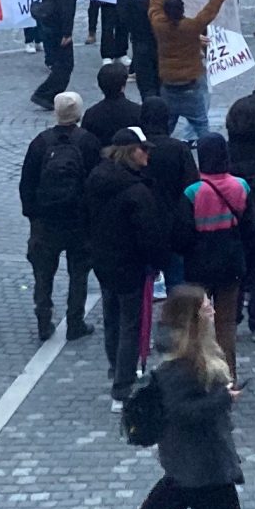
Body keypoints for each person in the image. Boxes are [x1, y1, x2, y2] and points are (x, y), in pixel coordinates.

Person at [97, 286, 255, 509]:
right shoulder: (181, 364)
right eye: (207, 307)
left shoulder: (190, 352)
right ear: (193, 317)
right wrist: (224, 399)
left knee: (167, 504)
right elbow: (182, 411)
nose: (213, 311)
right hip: (199, 456)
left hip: (192, 457)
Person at [87, 127, 168, 407]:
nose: (147, 154)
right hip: (130, 264)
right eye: (143, 149)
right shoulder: (137, 191)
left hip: (103, 261)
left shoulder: (96, 179)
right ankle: (122, 386)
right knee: (130, 324)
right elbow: (149, 234)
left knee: (112, 317)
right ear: (129, 151)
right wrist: (157, 263)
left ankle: (116, 369)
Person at [20, 95, 98, 344]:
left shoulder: (40, 143)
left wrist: (33, 215)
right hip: (78, 220)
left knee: (43, 274)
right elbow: (95, 184)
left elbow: (27, 184)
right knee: (78, 274)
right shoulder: (88, 142)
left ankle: (43, 320)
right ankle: (75, 322)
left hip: (45, 221)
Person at [181, 135, 255, 376]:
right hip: (231, 262)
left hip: (199, 265)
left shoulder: (193, 192)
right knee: (226, 324)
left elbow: (181, 234)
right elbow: (250, 228)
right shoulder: (241, 186)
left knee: (198, 323)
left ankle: (199, 374)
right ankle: (229, 376)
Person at [148, 0, 227, 139]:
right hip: (190, 85)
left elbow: (153, 8)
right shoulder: (192, 27)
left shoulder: (159, 25)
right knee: (202, 125)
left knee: (165, 128)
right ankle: (209, 156)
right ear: (182, 10)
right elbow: (209, 11)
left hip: (169, 84)